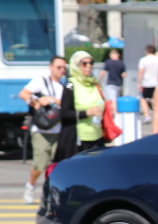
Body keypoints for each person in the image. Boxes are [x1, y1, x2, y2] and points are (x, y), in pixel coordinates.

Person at [18, 54, 67, 203]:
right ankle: (30, 187)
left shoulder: (65, 86)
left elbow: (65, 104)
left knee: (57, 166)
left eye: (63, 68)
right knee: (40, 164)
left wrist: (53, 100)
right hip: (41, 131)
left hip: (58, 129)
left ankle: (52, 193)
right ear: (50, 67)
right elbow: (23, 94)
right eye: (58, 67)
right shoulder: (41, 81)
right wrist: (36, 102)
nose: (61, 70)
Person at [52, 51, 107, 164]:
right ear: (76, 65)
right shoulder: (70, 84)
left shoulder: (94, 83)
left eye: (91, 63)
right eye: (84, 63)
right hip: (78, 139)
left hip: (96, 136)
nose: (89, 66)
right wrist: (87, 113)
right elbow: (64, 113)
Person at [137, 44, 158, 119]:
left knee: (143, 98)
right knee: (155, 99)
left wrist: (139, 83)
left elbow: (140, 72)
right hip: (157, 82)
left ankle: (146, 115)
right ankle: (156, 114)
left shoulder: (143, 60)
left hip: (146, 82)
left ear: (147, 51)